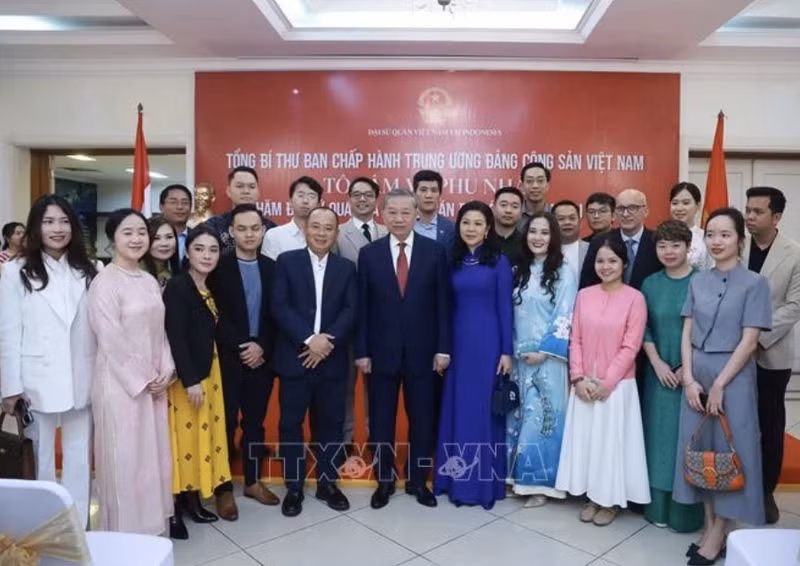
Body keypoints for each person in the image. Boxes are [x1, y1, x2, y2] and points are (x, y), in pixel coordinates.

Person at [673, 207, 772, 565]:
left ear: (740, 241)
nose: (717, 241)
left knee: (733, 450)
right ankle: (711, 524)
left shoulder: (755, 284)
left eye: (725, 235)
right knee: (703, 449)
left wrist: (720, 385)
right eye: (711, 234)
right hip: (696, 373)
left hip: (733, 374)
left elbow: (749, 341)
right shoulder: (697, 280)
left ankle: (718, 534)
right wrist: (688, 377)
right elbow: (686, 330)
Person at [0, 195, 98, 527]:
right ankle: (42, 531)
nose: (57, 229)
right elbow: (9, 332)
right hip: (36, 380)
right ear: (35, 227)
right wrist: (10, 387)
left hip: (82, 376)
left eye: (64, 221)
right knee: (39, 460)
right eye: (48, 221)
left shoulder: (90, 268)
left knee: (79, 460)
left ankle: (77, 531)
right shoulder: (15, 272)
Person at [356, 188, 451, 509]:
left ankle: (416, 480)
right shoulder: (369, 254)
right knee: (381, 421)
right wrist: (362, 351)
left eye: (405, 213)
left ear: (416, 215)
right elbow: (363, 307)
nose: (398, 219)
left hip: (424, 355)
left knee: (422, 419)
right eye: (392, 212)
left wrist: (443, 349)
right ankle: (384, 480)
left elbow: (443, 305)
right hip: (380, 354)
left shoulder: (435, 252)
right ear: (383, 215)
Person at [88, 208, 174, 534]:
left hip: (154, 385)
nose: (137, 239)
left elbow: (160, 332)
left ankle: (152, 530)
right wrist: (143, 378)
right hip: (121, 387)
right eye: (128, 232)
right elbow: (110, 339)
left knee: (152, 461)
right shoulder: (104, 283)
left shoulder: (149, 279)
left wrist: (167, 369)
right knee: (124, 462)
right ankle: (124, 536)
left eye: (141, 232)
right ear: (113, 238)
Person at [555, 234, 650, 527]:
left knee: (611, 445)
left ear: (623, 263)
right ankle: (592, 496)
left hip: (617, 387)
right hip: (584, 384)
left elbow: (631, 346)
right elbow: (576, 339)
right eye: (600, 260)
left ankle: (609, 501)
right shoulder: (584, 295)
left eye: (612, 261)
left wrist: (607, 384)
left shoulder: (635, 298)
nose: (605, 266)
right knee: (589, 444)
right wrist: (578, 377)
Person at [272, 207, 358, 517]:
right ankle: (294, 487)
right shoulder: (286, 262)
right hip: (296, 358)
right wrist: (310, 339)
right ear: (306, 229)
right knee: (291, 425)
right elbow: (279, 305)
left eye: (328, 228)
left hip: (333, 360)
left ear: (336, 233)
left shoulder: (347, 268)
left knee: (330, 425)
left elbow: (351, 310)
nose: (321, 233)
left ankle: (327, 483)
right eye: (316, 226)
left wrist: (326, 341)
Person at [433, 201, 512, 510]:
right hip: (458, 345)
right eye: (466, 222)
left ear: (488, 228)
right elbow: (444, 307)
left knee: (482, 413)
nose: (471, 229)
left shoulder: (499, 262)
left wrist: (506, 350)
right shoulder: (451, 261)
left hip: (489, 345)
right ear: (459, 226)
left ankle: (481, 486)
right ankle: (454, 481)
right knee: (457, 410)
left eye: (478, 224)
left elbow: (505, 308)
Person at [207, 204, 279, 520]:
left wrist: (261, 346)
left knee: (254, 423)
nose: (249, 234)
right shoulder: (216, 268)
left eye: (255, 228)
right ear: (232, 232)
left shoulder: (273, 267)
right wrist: (241, 345)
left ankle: (252, 481)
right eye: (242, 229)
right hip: (227, 358)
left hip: (261, 359)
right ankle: (223, 489)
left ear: (263, 231)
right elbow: (214, 316)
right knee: (226, 421)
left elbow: (276, 315)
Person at [164, 225, 231, 539]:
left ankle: (193, 500)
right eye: (200, 249)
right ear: (187, 253)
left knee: (201, 439)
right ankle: (174, 509)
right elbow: (175, 335)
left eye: (213, 250)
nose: (207, 256)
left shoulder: (209, 285)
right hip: (187, 378)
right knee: (183, 443)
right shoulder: (178, 287)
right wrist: (190, 380)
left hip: (209, 370)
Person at [506, 211, 577, 507]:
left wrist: (545, 351)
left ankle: (541, 484)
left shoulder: (563, 271)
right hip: (520, 358)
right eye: (532, 231)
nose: (537, 237)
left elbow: (566, 314)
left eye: (544, 233)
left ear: (553, 237)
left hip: (548, 360)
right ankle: (517, 477)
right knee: (519, 418)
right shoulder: (517, 270)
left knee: (543, 420)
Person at [640, 220, 704, 532]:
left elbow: (707, 329)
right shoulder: (650, 283)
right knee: (658, 440)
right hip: (658, 375)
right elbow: (644, 327)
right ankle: (656, 508)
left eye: (675, 245)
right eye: (662, 245)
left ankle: (685, 513)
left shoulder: (702, 281)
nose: (668, 251)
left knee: (686, 441)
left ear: (688, 247)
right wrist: (658, 364)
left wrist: (684, 368)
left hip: (693, 377)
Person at [743, 186, 800, 524]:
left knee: (770, 423)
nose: (750, 216)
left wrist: (755, 339)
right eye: (748, 210)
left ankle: (765, 491)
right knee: (737, 422)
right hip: (731, 350)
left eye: (758, 212)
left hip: (770, 353)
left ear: (776, 216)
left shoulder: (794, 253)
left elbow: (793, 307)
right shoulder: (734, 244)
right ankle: (735, 485)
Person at [334, 177, 387, 448]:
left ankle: (375, 438)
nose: (362, 199)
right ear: (349, 199)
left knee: (376, 387)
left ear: (377, 199)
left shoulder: (388, 231)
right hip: (347, 323)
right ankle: (346, 439)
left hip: (380, 323)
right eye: (356, 195)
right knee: (345, 385)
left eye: (368, 195)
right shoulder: (337, 232)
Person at [580, 189, 662, 290]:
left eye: (632, 208)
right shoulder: (599, 242)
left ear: (645, 211)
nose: (625, 214)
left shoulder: (657, 241)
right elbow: (587, 283)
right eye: (621, 208)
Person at [206, 166, 277, 253]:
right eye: (240, 186)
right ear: (228, 191)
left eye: (251, 187)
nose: (246, 191)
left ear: (258, 192)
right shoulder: (213, 226)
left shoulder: (271, 229)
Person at [262, 176, 323, 260]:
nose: (305, 201)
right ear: (290, 202)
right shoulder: (274, 236)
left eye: (311, 196)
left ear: (319, 205)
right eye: (300, 195)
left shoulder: (324, 236)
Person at [669, 182, 712, 270]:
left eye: (686, 203)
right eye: (675, 203)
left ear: (698, 206)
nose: (679, 208)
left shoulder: (706, 237)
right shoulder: (662, 236)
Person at [412, 170, 455, 255]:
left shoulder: (452, 229)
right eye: (423, 190)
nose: (428, 195)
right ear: (414, 194)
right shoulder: (404, 226)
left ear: (440, 195)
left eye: (434, 190)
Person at [552, 200, 589, 279]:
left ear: (580, 222)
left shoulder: (590, 249)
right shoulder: (545, 250)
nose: (567, 222)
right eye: (561, 219)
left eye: (572, 218)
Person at [142, 216, 179, 291]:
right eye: (156, 238)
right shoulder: (135, 275)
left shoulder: (174, 273)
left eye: (169, 237)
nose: (164, 244)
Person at [159, 184, 192, 262]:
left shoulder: (197, 237)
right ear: (161, 207)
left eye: (185, 203)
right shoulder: (150, 237)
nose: (180, 207)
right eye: (173, 202)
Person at [492, 186, 523, 261]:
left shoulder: (526, 244)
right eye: (503, 205)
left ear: (521, 212)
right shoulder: (481, 240)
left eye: (515, 206)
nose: (508, 210)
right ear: (494, 208)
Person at [518, 162, 552, 228]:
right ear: (521, 186)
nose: (535, 186)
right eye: (529, 181)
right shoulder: (514, 215)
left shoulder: (554, 215)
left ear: (547, 186)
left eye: (540, 181)